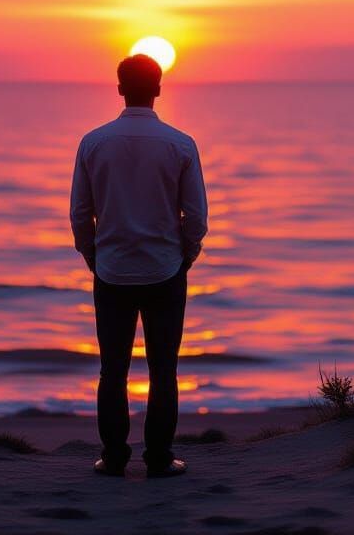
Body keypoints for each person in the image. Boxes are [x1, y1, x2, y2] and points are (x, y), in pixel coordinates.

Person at [69, 53, 208, 478]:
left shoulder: (93, 143)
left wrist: (91, 253)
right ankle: (160, 459)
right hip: (165, 269)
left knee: (113, 369)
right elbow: (196, 215)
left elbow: (80, 211)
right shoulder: (181, 144)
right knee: (163, 369)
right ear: (159, 88)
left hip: (111, 270)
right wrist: (187, 253)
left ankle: (113, 459)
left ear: (119, 88)